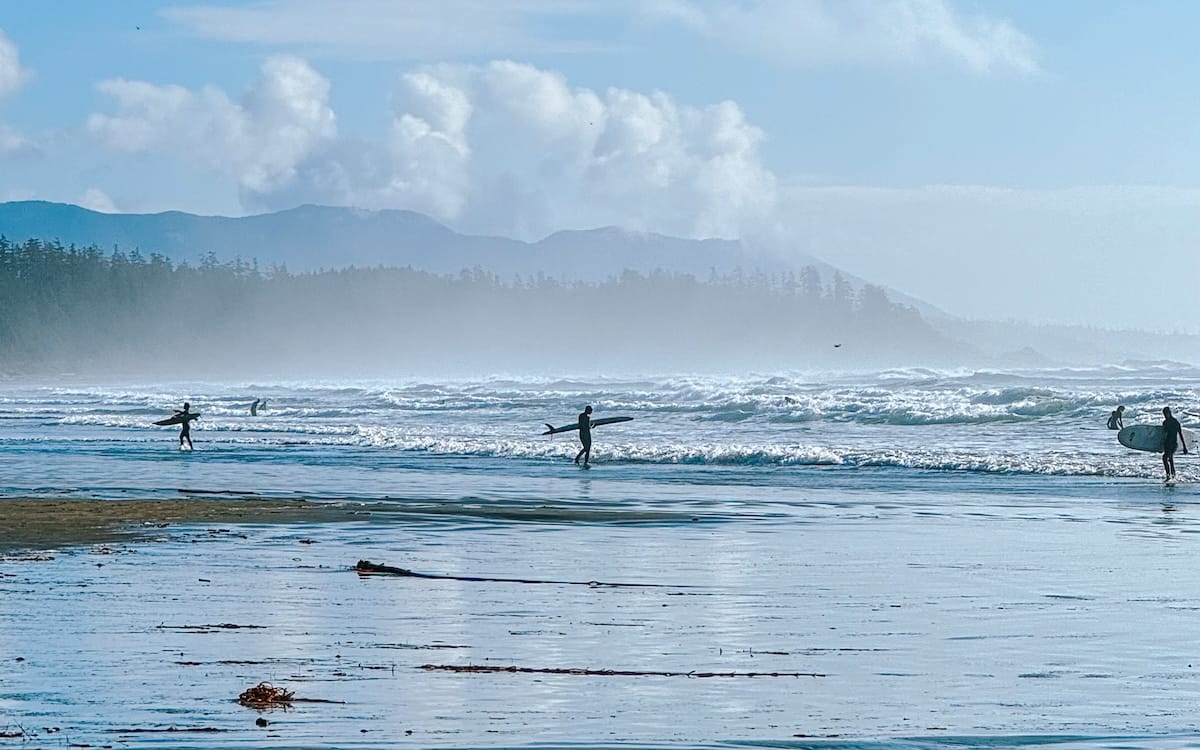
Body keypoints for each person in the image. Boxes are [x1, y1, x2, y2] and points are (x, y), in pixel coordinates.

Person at [1161, 406, 1188, 482]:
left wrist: (1184, 447)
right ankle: (1172, 476)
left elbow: (1180, 434)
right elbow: (1163, 434)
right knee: (1170, 459)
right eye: (1164, 414)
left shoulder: (1175, 422)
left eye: (1166, 413)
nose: (1165, 415)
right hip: (1167, 443)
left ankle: (1169, 476)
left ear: (1169, 413)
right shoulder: (1165, 422)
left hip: (1173, 444)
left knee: (1165, 458)